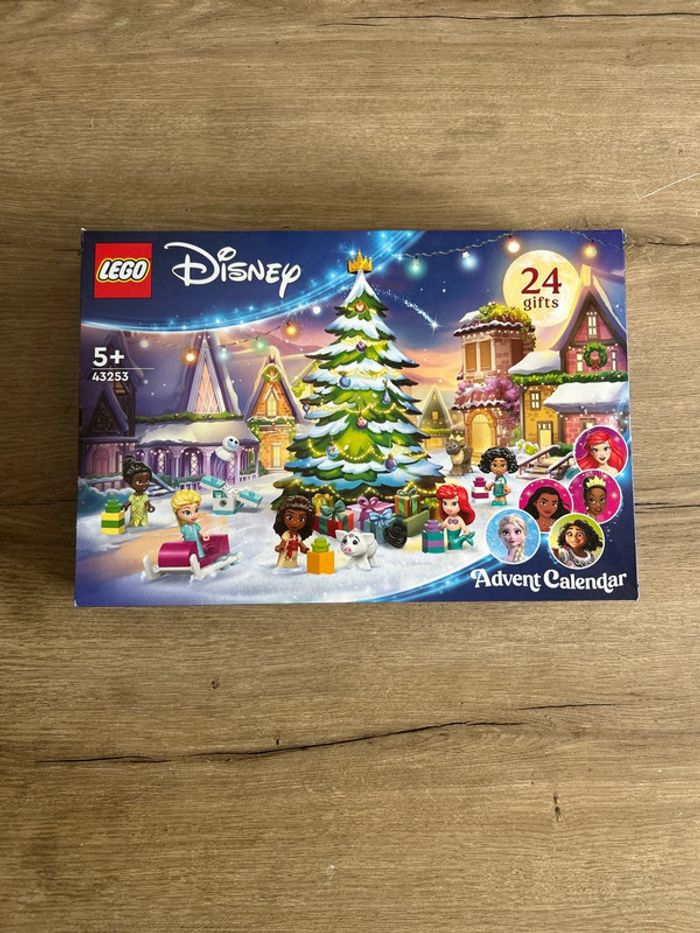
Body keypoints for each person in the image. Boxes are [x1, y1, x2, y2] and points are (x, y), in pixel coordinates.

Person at [273, 495, 315, 569]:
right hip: (285, 554)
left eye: (301, 519)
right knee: (283, 566)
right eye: (290, 517)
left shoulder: (297, 536)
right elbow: (283, 542)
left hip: (294, 555)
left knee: (292, 565)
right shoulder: (286, 534)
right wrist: (280, 547)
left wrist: (305, 549)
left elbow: (300, 544)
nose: (295, 523)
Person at [172, 489, 208, 558]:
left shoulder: (195, 526)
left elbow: (199, 532)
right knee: (189, 551)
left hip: (197, 542)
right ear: (177, 513)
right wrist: (179, 540)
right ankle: (190, 558)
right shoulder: (184, 527)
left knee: (198, 549)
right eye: (187, 512)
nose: (193, 515)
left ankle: (200, 556)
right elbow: (182, 535)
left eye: (196, 510)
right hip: (187, 544)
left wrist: (204, 535)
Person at [436, 484, 475, 549]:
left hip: (456, 541)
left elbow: (464, 528)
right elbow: (442, 527)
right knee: (450, 545)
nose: (448, 508)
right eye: (445, 503)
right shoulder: (448, 519)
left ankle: (462, 540)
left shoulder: (459, 519)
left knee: (455, 545)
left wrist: (466, 531)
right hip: (449, 541)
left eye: (454, 504)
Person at [122, 456, 155, 528]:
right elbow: (128, 503)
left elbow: (147, 503)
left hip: (143, 518)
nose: (144, 485)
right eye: (139, 482)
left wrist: (150, 507)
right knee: (134, 525)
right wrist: (125, 507)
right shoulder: (133, 496)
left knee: (143, 525)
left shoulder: (144, 496)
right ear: (130, 483)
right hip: (134, 517)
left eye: (147, 481)